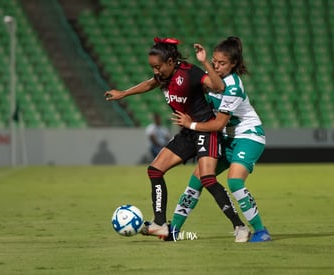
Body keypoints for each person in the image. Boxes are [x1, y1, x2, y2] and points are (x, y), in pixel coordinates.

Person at [104, 37, 246, 240]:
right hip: (188, 133)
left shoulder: (189, 72)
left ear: (170, 62)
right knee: (154, 170)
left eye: (158, 66)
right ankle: (160, 223)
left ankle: (240, 226)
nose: (155, 71)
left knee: (207, 179)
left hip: (205, 130)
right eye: (152, 67)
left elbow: (219, 87)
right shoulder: (163, 76)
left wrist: (205, 62)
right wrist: (124, 93)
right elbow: (150, 83)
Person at [171, 36, 271, 242]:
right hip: (226, 138)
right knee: (197, 178)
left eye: (222, 63)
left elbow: (218, 124)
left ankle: (261, 231)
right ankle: (173, 230)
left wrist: (190, 125)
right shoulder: (211, 78)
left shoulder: (233, 87)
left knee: (234, 181)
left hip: (248, 136)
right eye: (215, 61)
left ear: (233, 64)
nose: (217, 66)